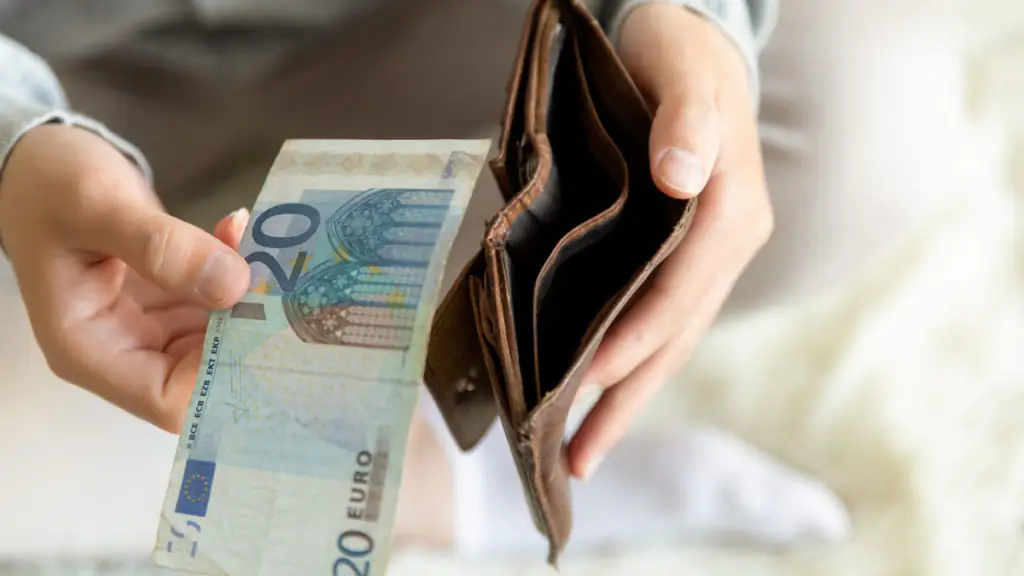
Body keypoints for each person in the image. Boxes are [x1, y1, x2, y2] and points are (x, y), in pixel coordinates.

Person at [0, 0, 961, 559]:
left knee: (868, 130)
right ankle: (451, 493)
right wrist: (16, 143)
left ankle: (451, 401)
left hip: (432, 26)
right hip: (49, 59)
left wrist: (688, 16)